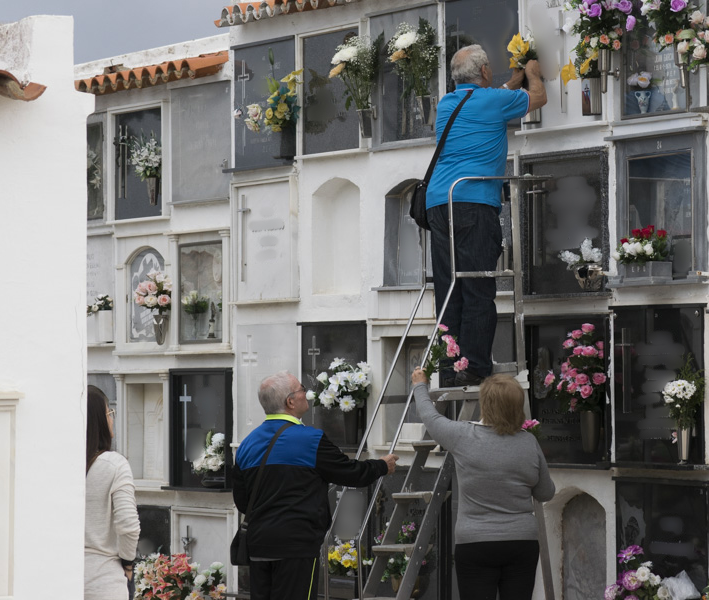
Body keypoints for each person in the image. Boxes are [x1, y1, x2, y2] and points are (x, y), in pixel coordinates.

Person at [425, 45, 547, 386]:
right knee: (478, 287)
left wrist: (511, 81)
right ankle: (476, 366)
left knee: (449, 290)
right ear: (484, 72)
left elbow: (492, 98)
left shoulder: (448, 103)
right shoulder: (494, 102)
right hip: (473, 202)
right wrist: (533, 74)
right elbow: (537, 99)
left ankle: (450, 368)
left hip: (439, 202)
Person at [233, 371, 399, 600]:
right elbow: (351, 473)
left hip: (259, 545)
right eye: (301, 389)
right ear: (290, 401)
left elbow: (242, 501)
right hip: (296, 546)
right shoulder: (310, 440)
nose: (307, 394)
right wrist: (382, 465)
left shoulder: (246, 445)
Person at [410, 367, 555, 600]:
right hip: (521, 543)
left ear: (485, 404)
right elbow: (546, 493)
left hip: (475, 542)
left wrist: (420, 385)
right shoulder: (529, 442)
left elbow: (431, 417)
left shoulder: (463, 436)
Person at [84, 393, 140, 600]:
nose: (112, 418)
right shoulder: (114, 464)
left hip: (62, 577)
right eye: (109, 412)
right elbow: (128, 524)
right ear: (99, 419)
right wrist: (127, 562)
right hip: (104, 580)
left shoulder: (62, 463)